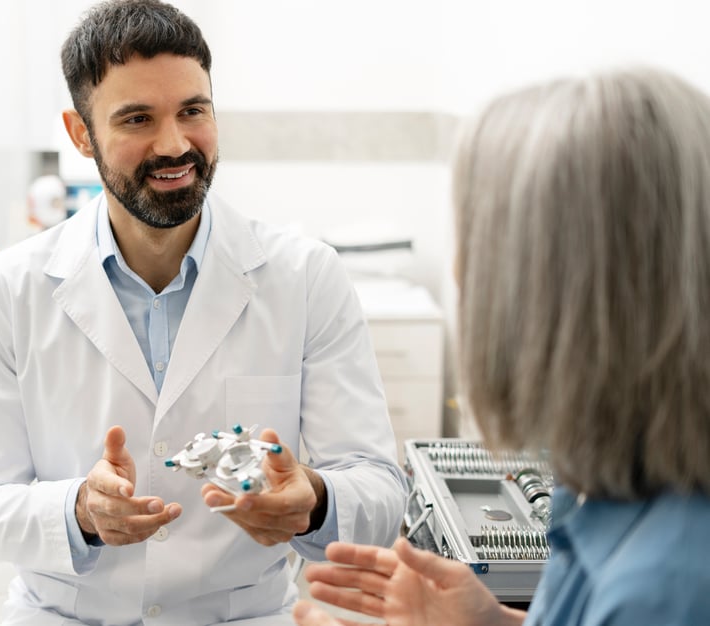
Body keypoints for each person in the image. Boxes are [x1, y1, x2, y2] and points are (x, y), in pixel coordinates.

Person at [0, 1, 408, 624]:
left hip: (242, 615)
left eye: (193, 110)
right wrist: (79, 512)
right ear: (80, 134)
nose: (175, 144)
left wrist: (316, 500)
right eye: (137, 118)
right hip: (69, 615)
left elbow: (379, 489)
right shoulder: (10, 290)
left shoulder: (305, 277)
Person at [293, 65, 710, 626]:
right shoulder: (617, 495)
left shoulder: (664, 588)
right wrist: (490, 621)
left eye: (480, 244)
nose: (460, 272)